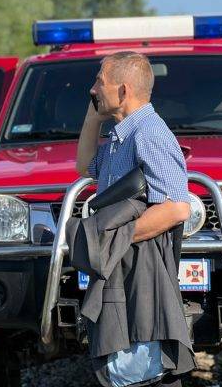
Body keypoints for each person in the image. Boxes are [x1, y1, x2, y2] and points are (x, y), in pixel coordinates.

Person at [76, 51, 193, 387]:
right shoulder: (121, 136)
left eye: (99, 82)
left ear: (123, 91)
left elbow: (176, 207)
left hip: (143, 269)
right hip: (124, 264)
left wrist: (114, 237)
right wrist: (93, 117)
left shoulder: (149, 134)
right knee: (129, 362)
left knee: (149, 364)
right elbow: (85, 167)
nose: (94, 88)